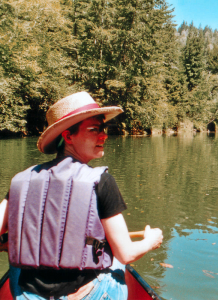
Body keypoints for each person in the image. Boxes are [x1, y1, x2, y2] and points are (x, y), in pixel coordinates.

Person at [0, 91, 163, 299]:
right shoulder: (102, 181)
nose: (103, 136)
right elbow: (126, 253)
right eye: (94, 130)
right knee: (117, 263)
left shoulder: (23, 179)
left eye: (103, 129)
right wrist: (151, 240)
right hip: (83, 294)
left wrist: (11, 242)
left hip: (28, 295)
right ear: (68, 136)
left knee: (16, 268)